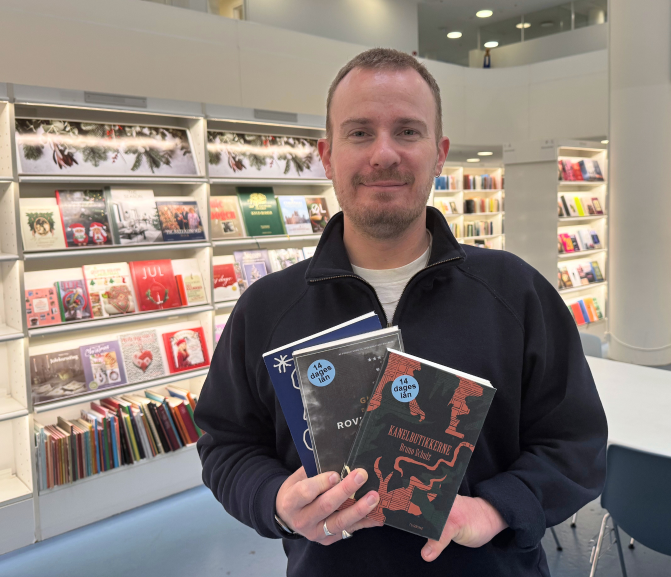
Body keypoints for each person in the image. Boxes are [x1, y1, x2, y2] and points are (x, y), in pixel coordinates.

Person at [194, 48, 608, 577]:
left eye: (408, 132)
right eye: (360, 132)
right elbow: (227, 444)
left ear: (440, 154)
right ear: (327, 154)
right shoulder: (267, 308)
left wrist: (497, 508)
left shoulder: (516, 291)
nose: (384, 154)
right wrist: (274, 499)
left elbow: (577, 444)